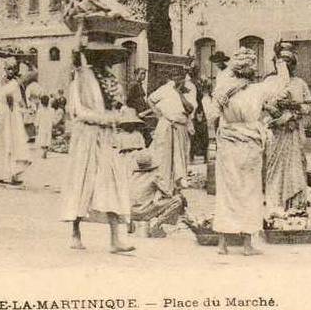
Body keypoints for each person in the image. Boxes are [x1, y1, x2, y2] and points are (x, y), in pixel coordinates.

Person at [59, 39, 135, 254]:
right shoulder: (80, 82)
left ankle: (115, 239)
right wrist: (104, 118)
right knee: (83, 181)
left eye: (109, 57)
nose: (106, 61)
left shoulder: (112, 81)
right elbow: (78, 111)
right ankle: (75, 232)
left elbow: (119, 106)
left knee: (113, 181)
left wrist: (120, 114)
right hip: (87, 136)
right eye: (102, 56)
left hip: (108, 137)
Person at [213, 47, 274, 256]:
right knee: (250, 191)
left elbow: (215, 114)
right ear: (251, 70)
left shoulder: (222, 90)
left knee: (226, 192)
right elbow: (281, 83)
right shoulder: (258, 90)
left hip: (228, 143)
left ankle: (222, 244)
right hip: (249, 144)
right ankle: (247, 245)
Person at [263, 49, 311, 211]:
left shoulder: (300, 83)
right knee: (274, 166)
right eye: (281, 61)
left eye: (288, 61)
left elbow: (308, 107)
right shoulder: (270, 82)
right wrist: (272, 108)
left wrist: (293, 106)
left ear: (293, 64)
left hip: (293, 131)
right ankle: (275, 202)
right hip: (276, 131)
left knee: (295, 166)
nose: (285, 65)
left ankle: (295, 204)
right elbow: (259, 103)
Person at [0, 57, 32, 185]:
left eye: (13, 69)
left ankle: (14, 175)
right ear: (5, 69)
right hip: (3, 115)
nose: (11, 71)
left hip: (14, 116)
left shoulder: (16, 83)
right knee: (3, 142)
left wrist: (22, 109)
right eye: (9, 69)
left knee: (15, 143)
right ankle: (2, 174)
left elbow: (19, 100)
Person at [147, 72, 195, 192]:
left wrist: (179, 93)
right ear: (171, 78)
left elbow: (190, 109)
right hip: (167, 124)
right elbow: (150, 100)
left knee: (181, 154)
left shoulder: (186, 92)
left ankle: (178, 181)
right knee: (164, 154)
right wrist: (158, 114)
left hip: (181, 126)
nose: (179, 80)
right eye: (176, 78)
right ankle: (162, 182)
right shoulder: (164, 89)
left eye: (181, 78)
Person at [130, 152, 186, 237]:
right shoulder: (155, 176)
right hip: (143, 212)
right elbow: (168, 194)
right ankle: (158, 225)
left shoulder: (132, 176)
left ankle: (130, 226)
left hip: (131, 212)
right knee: (177, 200)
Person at [36, 94, 56, 158]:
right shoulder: (52, 110)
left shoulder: (39, 111)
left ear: (41, 103)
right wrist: (53, 124)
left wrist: (36, 126)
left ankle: (43, 151)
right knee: (48, 138)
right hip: (49, 126)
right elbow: (53, 120)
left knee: (42, 139)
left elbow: (37, 120)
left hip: (42, 126)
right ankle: (45, 151)